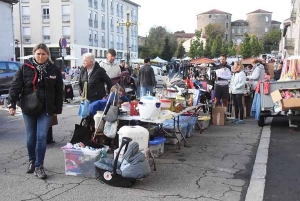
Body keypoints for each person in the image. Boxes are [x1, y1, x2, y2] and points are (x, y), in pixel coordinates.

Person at [7, 43, 63, 179]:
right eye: (38, 53)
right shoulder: (25, 68)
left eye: (43, 54)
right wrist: (11, 104)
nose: (40, 56)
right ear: (34, 54)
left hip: (46, 108)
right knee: (31, 137)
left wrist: (57, 109)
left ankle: (39, 166)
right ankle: (32, 160)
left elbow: (59, 91)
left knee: (42, 137)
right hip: (28, 107)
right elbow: (15, 86)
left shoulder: (54, 69)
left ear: (48, 55)